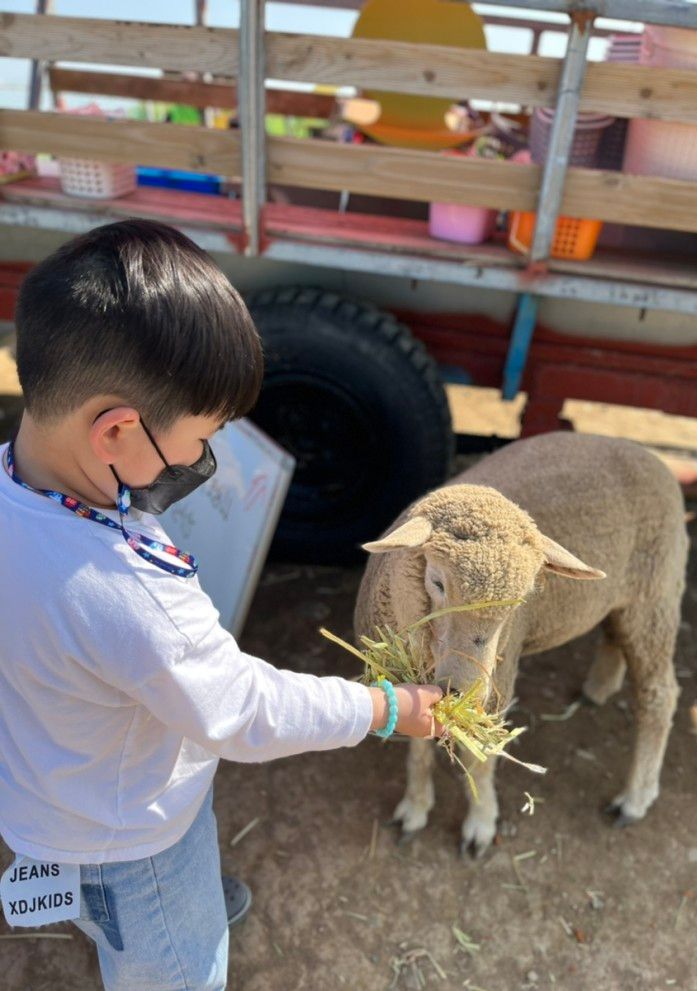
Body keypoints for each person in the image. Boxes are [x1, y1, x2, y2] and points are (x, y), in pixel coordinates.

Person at [0, 220, 443, 991]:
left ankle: (130, 912)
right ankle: (167, 923)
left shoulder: (18, 487)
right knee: (176, 967)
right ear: (114, 429)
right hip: (135, 839)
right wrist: (382, 707)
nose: (201, 463)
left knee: (110, 903)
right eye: (197, 441)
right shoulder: (131, 592)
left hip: (46, 798)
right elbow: (242, 710)